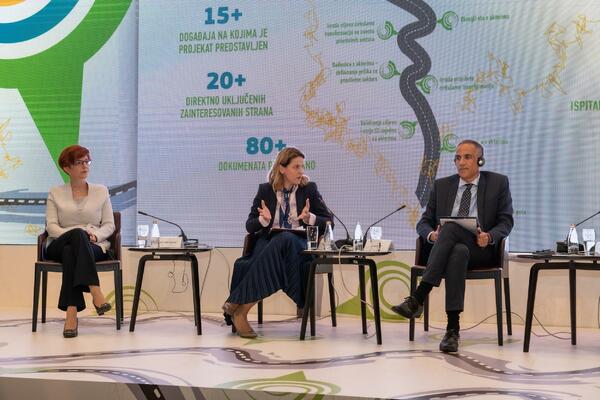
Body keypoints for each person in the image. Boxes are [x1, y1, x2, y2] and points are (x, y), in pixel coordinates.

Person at [392, 139, 513, 352]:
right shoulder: (442, 185)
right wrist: (432, 235)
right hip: (450, 250)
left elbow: (506, 221)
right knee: (457, 250)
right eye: (457, 158)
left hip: (481, 249)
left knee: (450, 228)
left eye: (467, 157)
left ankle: (418, 296)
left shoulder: (498, 183)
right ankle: (452, 330)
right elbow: (423, 223)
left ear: (480, 161)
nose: (461, 162)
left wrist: (489, 236)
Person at [222, 147, 332, 338]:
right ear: (282, 168)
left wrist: (310, 218)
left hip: (298, 244)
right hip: (269, 244)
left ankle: (239, 307)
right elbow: (249, 225)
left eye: (302, 167)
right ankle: (240, 310)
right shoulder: (265, 190)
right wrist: (263, 220)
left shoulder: (309, 189)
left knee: (286, 238)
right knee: (280, 244)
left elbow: (329, 221)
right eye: (296, 167)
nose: (301, 171)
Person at [45, 145, 115, 338]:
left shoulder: (101, 191)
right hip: (58, 243)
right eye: (79, 162)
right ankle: (95, 290)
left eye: (87, 161)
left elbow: (109, 225)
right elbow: (52, 226)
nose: (85, 166)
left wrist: (96, 236)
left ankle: (71, 314)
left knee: (71, 253)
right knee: (76, 236)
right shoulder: (55, 192)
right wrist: (77, 233)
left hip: (93, 245)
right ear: (67, 168)